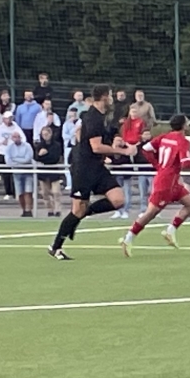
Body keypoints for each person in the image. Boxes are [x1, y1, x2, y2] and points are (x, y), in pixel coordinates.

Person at [48, 86, 133, 260]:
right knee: (76, 210)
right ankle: (56, 247)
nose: (112, 99)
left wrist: (115, 139)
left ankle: (82, 215)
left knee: (118, 200)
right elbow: (96, 147)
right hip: (83, 169)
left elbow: (88, 135)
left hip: (97, 167)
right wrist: (123, 151)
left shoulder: (101, 116)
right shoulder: (92, 117)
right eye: (110, 95)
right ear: (104, 97)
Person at [121, 115, 190, 254]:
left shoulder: (164, 137)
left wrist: (157, 164)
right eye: (187, 122)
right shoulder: (182, 141)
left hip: (172, 181)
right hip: (165, 182)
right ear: (183, 125)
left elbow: (146, 148)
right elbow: (185, 163)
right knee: (151, 213)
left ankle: (170, 231)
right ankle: (128, 238)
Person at [4, 124, 37, 217]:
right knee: (20, 193)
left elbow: (28, 159)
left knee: (28, 191)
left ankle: (29, 210)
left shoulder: (27, 146)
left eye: (17, 137)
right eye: (14, 137)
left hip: (28, 172)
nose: (16, 139)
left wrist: (15, 160)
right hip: (16, 173)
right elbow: (8, 161)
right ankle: (24, 210)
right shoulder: (9, 148)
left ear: (20, 137)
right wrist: (18, 162)